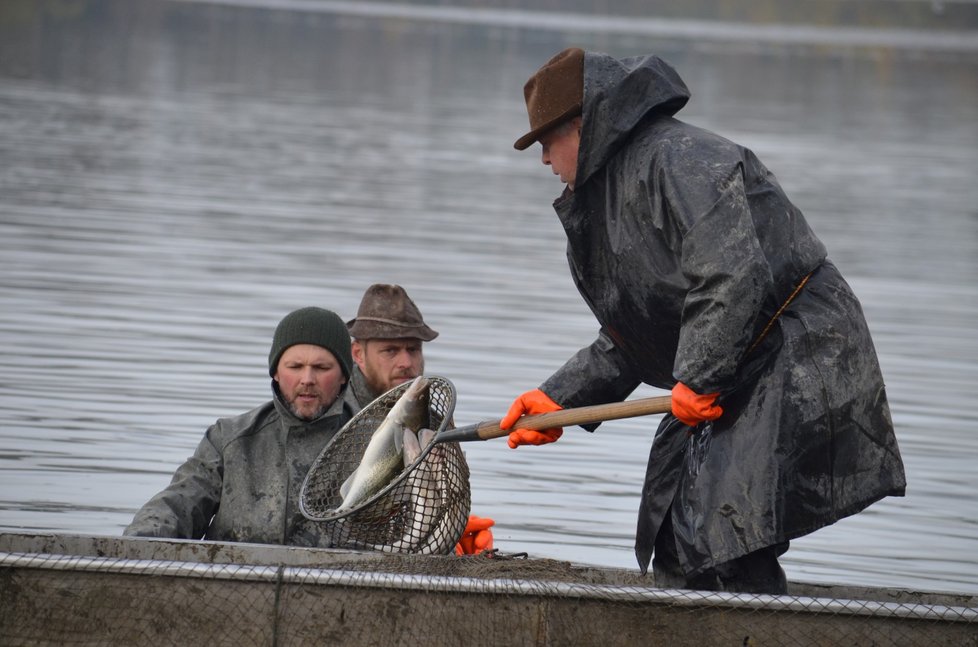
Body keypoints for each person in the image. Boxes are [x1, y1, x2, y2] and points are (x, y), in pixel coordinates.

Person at [500, 47, 906, 594]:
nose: (545, 160)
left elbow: (733, 273)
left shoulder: (679, 159)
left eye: (548, 143)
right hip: (733, 358)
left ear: (584, 127)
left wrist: (699, 375)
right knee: (672, 521)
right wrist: (560, 399)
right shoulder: (612, 192)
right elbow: (637, 333)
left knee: (728, 529)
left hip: (796, 344)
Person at [124, 306, 356, 545]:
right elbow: (178, 503)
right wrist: (138, 542)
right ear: (276, 372)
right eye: (295, 367)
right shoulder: (228, 438)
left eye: (321, 368)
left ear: (344, 376)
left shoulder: (370, 442)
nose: (307, 379)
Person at [346, 283, 494, 555]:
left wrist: (455, 537)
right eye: (390, 350)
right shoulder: (335, 413)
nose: (406, 363)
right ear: (358, 354)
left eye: (413, 350)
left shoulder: (436, 421)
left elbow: (445, 496)